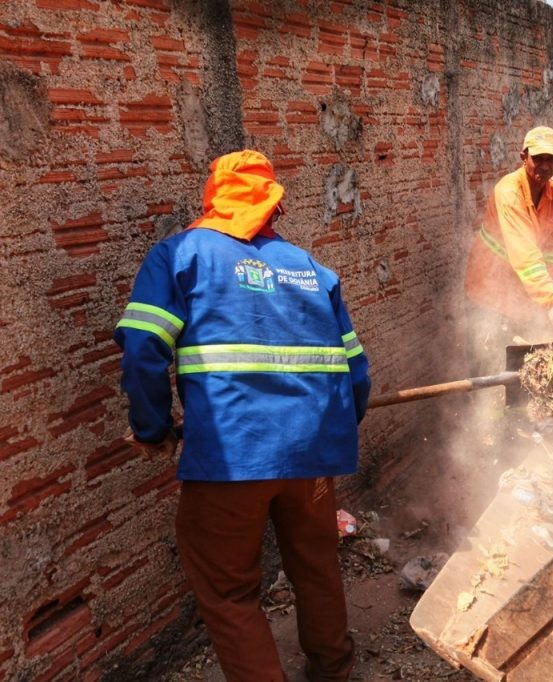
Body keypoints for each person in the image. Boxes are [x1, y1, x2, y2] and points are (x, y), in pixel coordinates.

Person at [114, 149, 370, 681]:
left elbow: (143, 348)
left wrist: (152, 429)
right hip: (312, 461)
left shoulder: (181, 256)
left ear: (212, 200)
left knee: (229, 591)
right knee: (317, 567)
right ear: (275, 206)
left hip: (230, 460)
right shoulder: (313, 271)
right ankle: (334, 669)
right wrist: (332, 433)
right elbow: (358, 373)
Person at [464, 125, 553, 374]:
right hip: (489, 288)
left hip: (522, 288)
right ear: (523, 157)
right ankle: (485, 407)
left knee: (524, 360)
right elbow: (525, 256)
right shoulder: (509, 193)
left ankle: (516, 408)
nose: (545, 166)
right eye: (538, 159)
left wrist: (550, 298)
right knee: (491, 361)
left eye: (551, 159)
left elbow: (551, 247)